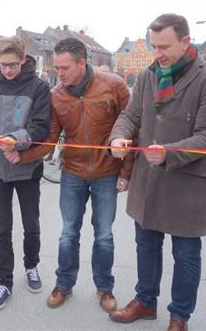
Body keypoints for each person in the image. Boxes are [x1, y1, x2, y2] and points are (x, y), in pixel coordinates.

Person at [109, 13, 206, 331]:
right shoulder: (149, 76)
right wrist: (118, 136)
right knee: (146, 246)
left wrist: (169, 153)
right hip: (149, 182)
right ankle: (145, 301)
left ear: (186, 41)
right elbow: (131, 115)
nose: (157, 54)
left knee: (186, 255)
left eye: (164, 46)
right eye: (153, 46)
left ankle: (179, 316)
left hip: (186, 184)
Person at [13, 37, 132, 314]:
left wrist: (125, 172)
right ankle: (64, 284)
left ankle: (105, 288)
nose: (59, 73)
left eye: (64, 68)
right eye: (57, 68)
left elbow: (131, 129)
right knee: (68, 234)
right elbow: (50, 139)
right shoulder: (57, 95)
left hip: (106, 173)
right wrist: (21, 155)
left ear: (82, 63)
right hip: (73, 173)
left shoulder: (113, 86)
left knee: (104, 235)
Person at [0, 36, 51, 310]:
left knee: (31, 224)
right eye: (3, 65)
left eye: (12, 64)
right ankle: (4, 281)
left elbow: (41, 125)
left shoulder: (38, 87)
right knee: (2, 228)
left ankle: (31, 265)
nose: (7, 70)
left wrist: (16, 141)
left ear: (22, 60)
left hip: (27, 168)